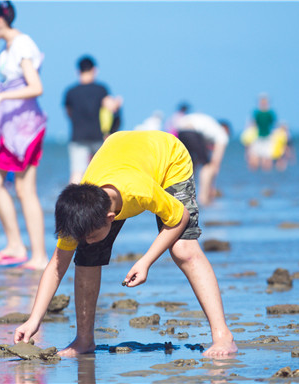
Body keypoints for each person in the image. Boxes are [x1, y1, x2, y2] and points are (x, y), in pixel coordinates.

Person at [12, 130, 238, 358]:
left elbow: (180, 218)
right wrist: (34, 320)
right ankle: (84, 340)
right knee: (87, 256)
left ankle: (223, 336)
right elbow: (57, 266)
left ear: (111, 218)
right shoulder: (79, 210)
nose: (86, 241)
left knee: (183, 249)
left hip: (168, 156)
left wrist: (146, 261)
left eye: (89, 236)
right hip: (120, 149)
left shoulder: (139, 191)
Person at [0, 1, 48, 270]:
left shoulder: (22, 44)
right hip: (11, 127)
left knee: (24, 189)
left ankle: (38, 256)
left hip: (25, 127)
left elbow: (36, 86)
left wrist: (2, 96)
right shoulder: (7, 47)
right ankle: (16, 245)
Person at [64, 55, 121, 184]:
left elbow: (69, 113)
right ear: (94, 70)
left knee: (77, 173)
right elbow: (111, 107)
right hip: (97, 136)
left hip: (77, 136)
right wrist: (117, 103)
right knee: (101, 172)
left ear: (78, 71)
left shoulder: (70, 92)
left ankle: (71, 202)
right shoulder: (101, 89)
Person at [174, 113, 230, 205]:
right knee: (207, 166)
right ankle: (203, 198)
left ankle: (183, 197)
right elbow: (215, 163)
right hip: (192, 131)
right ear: (227, 130)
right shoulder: (222, 135)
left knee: (190, 165)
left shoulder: (211, 128)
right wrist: (212, 187)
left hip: (180, 131)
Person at [247, 93, 277, 171]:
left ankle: (266, 177)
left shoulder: (270, 113)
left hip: (268, 136)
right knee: (254, 156)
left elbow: (274, 125)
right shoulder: (256, 112)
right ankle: (254, 176)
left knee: (267, 157)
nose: (263, 102)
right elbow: (252, 124)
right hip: (257, 137)